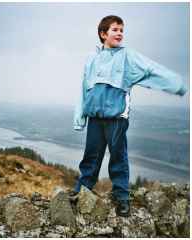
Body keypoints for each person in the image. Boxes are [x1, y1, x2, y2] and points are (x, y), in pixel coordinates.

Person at [72, 15, 187, 217]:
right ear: (103, 34)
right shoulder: (92, 59)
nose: (120, 33)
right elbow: (84, 88)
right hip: (95, 118)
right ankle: (83, 189)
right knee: (91, 155)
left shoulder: (127, 56)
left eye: (122, 30)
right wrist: (79, 116)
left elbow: (150, 70)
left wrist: (176, 84)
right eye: (115, 29)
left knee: (118, 157)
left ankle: (122, 197)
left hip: (117, 117)